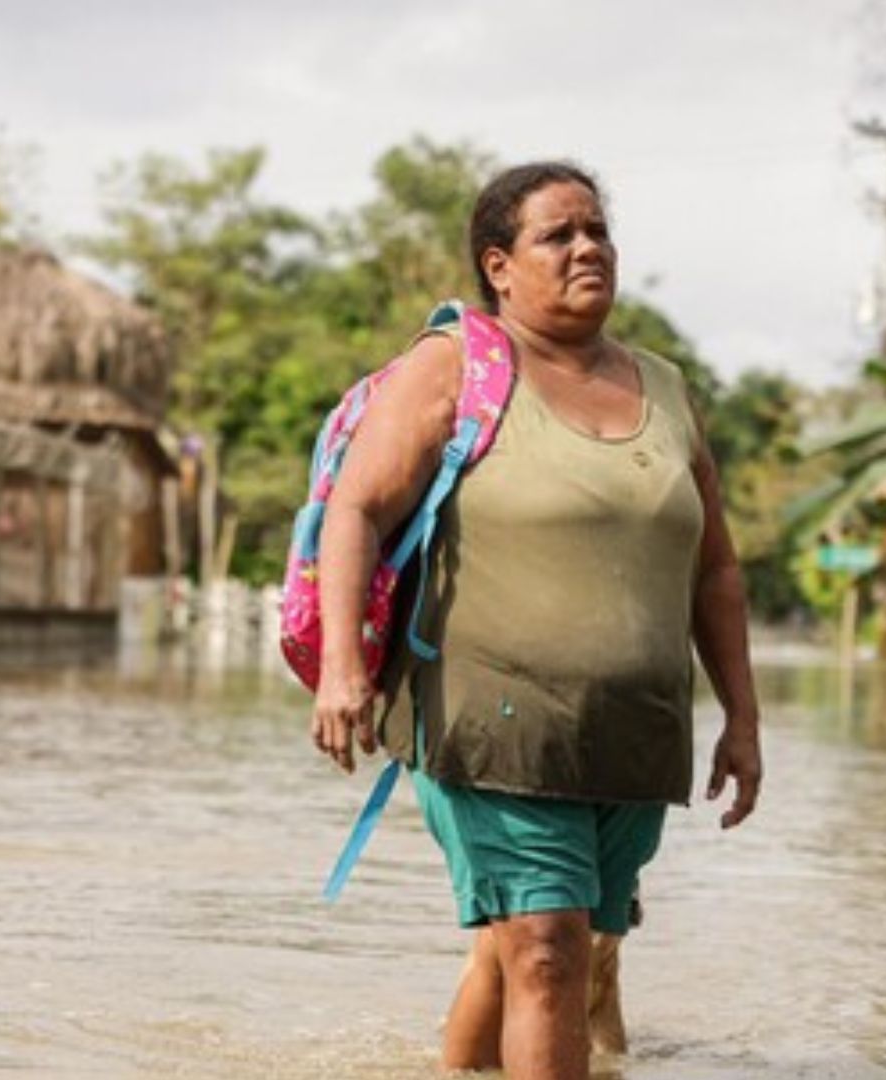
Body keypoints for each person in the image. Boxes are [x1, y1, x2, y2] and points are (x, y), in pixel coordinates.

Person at [310, 162, 762, 1080]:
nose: (588, 247)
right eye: (559, 235)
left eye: (597, 230)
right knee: (548, 950)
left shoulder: (666, 388)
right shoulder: (457, 369)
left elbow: (713, 567)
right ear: (500, 265)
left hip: (634, 739)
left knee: (547, 950)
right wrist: (341, 671)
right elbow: (356, 509)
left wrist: (743, 720)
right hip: (494, 721)